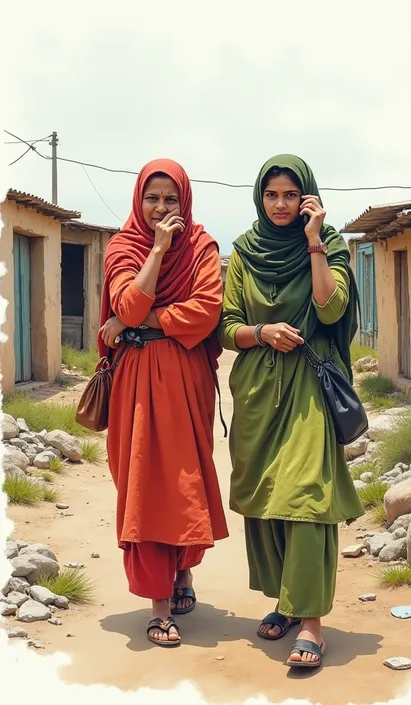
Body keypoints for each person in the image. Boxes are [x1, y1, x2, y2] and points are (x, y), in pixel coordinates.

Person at [218, 154, 364, 669]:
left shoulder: (331, 246)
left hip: (309, 387)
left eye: (289, 195)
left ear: (307, 198)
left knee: (306, 497)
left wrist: (315, 241)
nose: (280, 205)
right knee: (265, 499)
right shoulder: (243, 252)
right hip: (257, 390)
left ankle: (311, 624)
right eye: (271, 195)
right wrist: (262, 333)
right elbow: (225, 325)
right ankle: (284, 599)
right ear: (260, 198)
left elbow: (330, 308)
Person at [98, 158, 228, 648]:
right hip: (135, 381)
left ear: (185, 201)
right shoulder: (125, 246)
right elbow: (125, 305)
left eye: (170, 199)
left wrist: (142, 323)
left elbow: (205, 312)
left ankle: (182, 576)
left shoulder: (202, 246)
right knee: (144, 483)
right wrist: (156, 251)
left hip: (186, 379)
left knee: (183, 481)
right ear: (139, 200)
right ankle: (157, 603)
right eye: (152, 198)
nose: (160, 207)